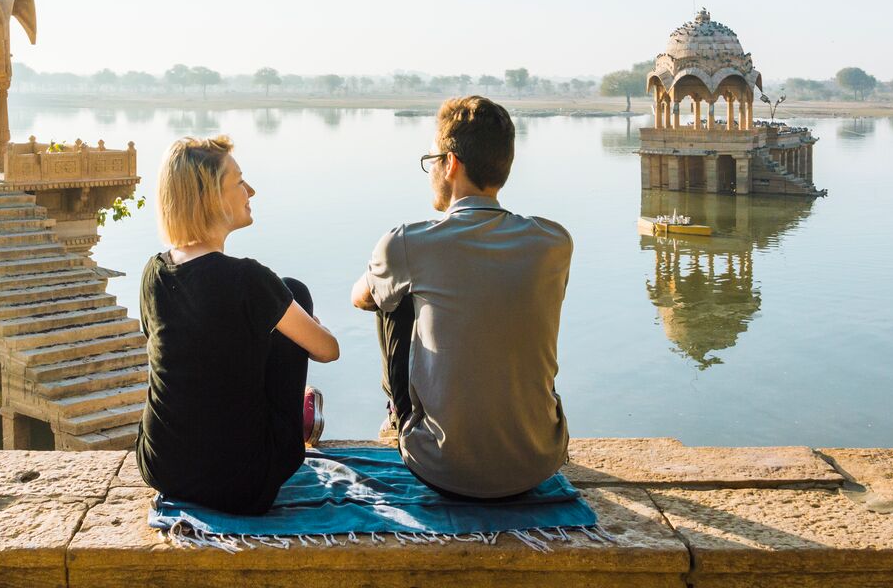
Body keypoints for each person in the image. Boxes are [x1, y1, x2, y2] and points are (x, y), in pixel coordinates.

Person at [351, 96, 572, 500]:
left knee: (390, 301)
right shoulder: (554, 241)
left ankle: (399, 419)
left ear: (451, 163)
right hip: (539, 461)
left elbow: (360, 297)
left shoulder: (408, 243)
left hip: (441, 468)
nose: (432, 169)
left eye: (432, 159)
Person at [137, 136, 339, 515]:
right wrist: (307, 324)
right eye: (240, 182)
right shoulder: (249, 279)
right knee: (293, 291)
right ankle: (297, 418)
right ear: (210, 197)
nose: (252, 190)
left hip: (160, 466)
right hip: (245, 485)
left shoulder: (155, 273)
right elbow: (329, 350)